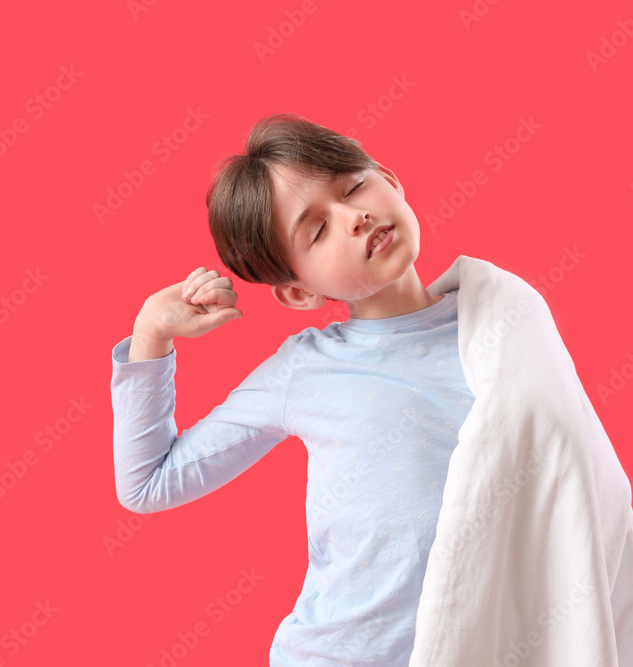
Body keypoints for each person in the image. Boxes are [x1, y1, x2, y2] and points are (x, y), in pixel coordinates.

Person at [110, 112, 474, 665]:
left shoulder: (503, 322)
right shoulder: (306, 371)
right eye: (318, 229)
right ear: (299, 293)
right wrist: (151, 336)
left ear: (390, 179)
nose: (355, 216)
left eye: (353, 186)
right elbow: (149, 484)